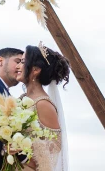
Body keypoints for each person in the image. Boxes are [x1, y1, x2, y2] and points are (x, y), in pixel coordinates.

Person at [16, 42, 70, 171]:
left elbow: (53, 153)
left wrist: (21, 153)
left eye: (22, 62)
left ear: (35, 70)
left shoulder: (43, 104)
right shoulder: (21, 100)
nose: (18, 66)